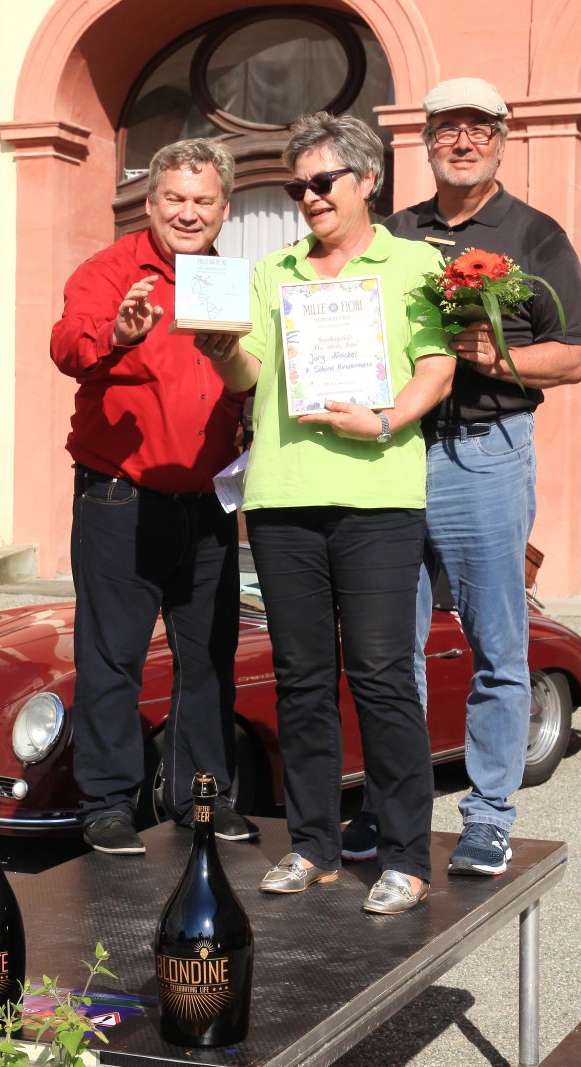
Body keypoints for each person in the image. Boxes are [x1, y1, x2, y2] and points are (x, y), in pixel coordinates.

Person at [195, 112, 456, 915]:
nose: (308, 197)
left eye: (322, 181)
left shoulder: (414, 263)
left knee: (381, 675)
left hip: (378, 495)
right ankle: (313, 843)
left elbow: (437, 367)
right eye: (295, 186)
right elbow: (249, 375)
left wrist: (384, 420)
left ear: (368, 180)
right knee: (302, 678)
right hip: (283, 498)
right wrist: (220, 349)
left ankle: (406, 854)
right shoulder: (272, 270)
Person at [362, 77, 581, 876]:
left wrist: (502, 357)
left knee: (495, 641)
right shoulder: (394, 232)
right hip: (395, 451)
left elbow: (574, 356)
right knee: (391, 648)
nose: (462, 142)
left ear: (501, 138)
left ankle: (488, 814)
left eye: (478, 129)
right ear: (425, 141)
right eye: (447, 129)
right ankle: (394, 809)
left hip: (486, 451)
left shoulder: (535, 233)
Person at [50, 137, 257, 855]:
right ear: (150, 202)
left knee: (209, 657)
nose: (188, 213)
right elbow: (66, 346)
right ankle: (107, 803)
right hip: (121, 497)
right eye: (175, 198)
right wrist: (116, 332)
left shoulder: (230, 279)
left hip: (207, 501)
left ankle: (203, 796)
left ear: (224, 209)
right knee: (113, 657)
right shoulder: (110, 271)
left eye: (203, 201)